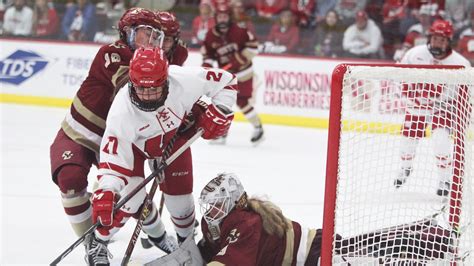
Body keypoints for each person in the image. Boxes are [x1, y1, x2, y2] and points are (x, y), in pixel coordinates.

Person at [86, 47, 237, 265]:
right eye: (141, 89)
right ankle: (98, 241)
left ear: (165, 80)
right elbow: (114, 160)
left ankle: (187, 248)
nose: (146, 96)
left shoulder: (184, 80)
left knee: (181, 201)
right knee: (128, 202)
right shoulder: (122, 110)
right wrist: (107, 190)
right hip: (136, 150)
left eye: (153, 89)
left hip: (172, 138)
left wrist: (221, 109)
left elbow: (227, 80)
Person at [149, 172, 456, 265]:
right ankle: (428, 235)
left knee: (375, 254)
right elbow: (201, 254)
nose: (211, 213)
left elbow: (229, 263)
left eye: (218, 206)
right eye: (210, 207)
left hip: (314, 255)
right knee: (371, 245)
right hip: (309, 251)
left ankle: (434, 241)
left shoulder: (246, 223)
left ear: (236, 202)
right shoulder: (217, 224)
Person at [49, 7, 163, 240]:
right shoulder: (112, 52)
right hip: (80, 132)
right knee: (70, 180)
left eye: (155, 36)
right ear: (128, 33)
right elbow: (130, 87)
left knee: (135, 195)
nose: (151, 40)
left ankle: (160, 238)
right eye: (145, 33)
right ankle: (90, 243)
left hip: (117, 138)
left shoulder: (156, 61)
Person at [394, 19, 471, 196]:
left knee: (440, 140)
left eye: (443, 40)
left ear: (449, 41)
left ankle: (445, 179)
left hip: (443, 108)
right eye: (436, 38)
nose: (438, 42)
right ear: (429, 37)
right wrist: (408, 93)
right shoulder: (414, 54)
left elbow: (466, 92)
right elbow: (397, 74)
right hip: (417, 105)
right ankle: (405, 168)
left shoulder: (460, 63)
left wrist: (461, 111)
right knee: (407, 141)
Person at [201, 3, 264, 145]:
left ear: (229, 17)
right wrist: (207, 68)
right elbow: (208, 55)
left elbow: (254, 46)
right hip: (227, 76)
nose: (223, 19)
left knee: (242, 102)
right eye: (220, 16)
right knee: (223, 103)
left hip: (244, 73)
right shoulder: (211, 35)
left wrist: (239, 59)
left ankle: (258, 128)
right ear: (216, 18)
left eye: (225, 16)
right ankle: (221, 133)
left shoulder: (240, 31)